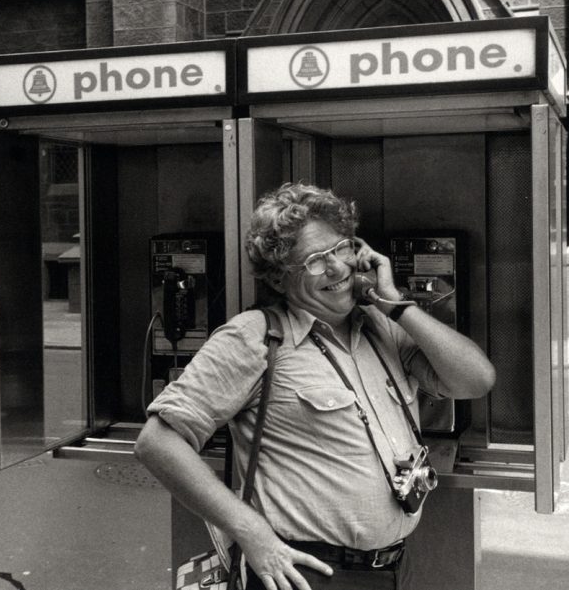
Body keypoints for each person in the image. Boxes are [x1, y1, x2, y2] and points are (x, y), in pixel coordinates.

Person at [135, 183, 496, 590]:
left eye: (341, 248)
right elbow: (157, 443)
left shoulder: (381, 327)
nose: (337, 268)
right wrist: (252, 534)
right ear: (279, 276)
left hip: (392, 569)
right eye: (314, 261)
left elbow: (476, 380)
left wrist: (395, 305)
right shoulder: (255, 337)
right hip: (306, 573)